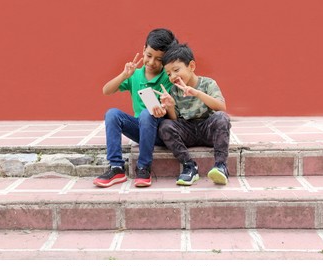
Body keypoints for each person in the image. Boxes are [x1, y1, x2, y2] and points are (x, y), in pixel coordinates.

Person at [93, 28, 178, 188]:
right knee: (112, 114)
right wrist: (124, 75)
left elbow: (174, 113)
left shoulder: (168, 77)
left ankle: (143, 168)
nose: (152, 62)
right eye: (149, 55)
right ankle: (116, 168)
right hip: (141, 130)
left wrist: (163, 110)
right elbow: (106, 91)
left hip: (161, 133)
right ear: (143, 50)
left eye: (159, 59)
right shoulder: (135, 75)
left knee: (148, 114)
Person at [156, 43, 231, 186]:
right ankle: (189, 166)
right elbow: (175, 120)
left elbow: (221, 107)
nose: (173, 76)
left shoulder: (208, 83)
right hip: (188, 130)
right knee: (165, 125)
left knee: (222, 118)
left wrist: (196, 93)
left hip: (207, 128)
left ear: (191, 66)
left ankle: (221, 166)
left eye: (176, 70)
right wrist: (170, 106)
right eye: (169, 74)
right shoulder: (174, 90)